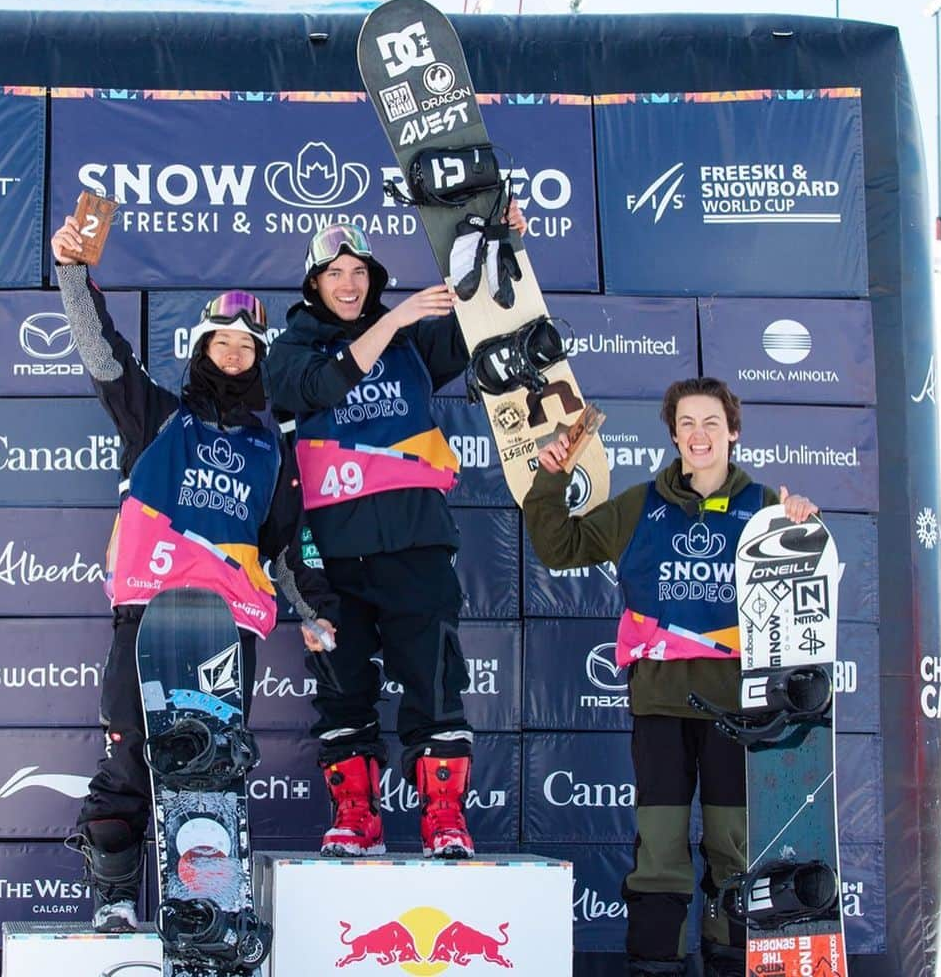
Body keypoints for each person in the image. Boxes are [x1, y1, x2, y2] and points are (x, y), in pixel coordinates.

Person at [50, 214, 339, 933]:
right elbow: (101, 352)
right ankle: (115, 903)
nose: (236, 355)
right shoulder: (157, 418)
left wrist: (312, 612)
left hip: (223, 626)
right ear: (204, 346)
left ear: (261, 359)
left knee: (209, 773)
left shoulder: (272, 450)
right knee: (129, 758)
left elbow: (283, 549)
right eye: (225, 342)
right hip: (147, 616)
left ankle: (204, 909)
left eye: (248, 347)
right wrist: (72, 274)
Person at [523, 377, 819, 977]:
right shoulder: (640, 505)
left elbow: (807, 594)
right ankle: (655, 964)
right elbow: (560, 547)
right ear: (674, 434)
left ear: (732, 431)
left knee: (732, 849)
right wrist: (551, 476)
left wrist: (801, 522)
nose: (699, 434)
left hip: (742, 712)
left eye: (711, 422)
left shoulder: (764, 506)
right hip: (660, 704)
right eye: (687, 423)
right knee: (659, 851)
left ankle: (730, 960)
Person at [267, 209, 525, 861]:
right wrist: (393, 319)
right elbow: (323, 387)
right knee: (341, 685)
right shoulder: (290, 352)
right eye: (335, 273)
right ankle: (356, 819)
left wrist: (503, 241)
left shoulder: (413, 342)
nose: (349, 283)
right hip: (328, 556)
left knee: (435, 681)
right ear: (313, 284)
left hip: (414, 541)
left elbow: (479, 314)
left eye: (360, 272)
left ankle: (445, 819)